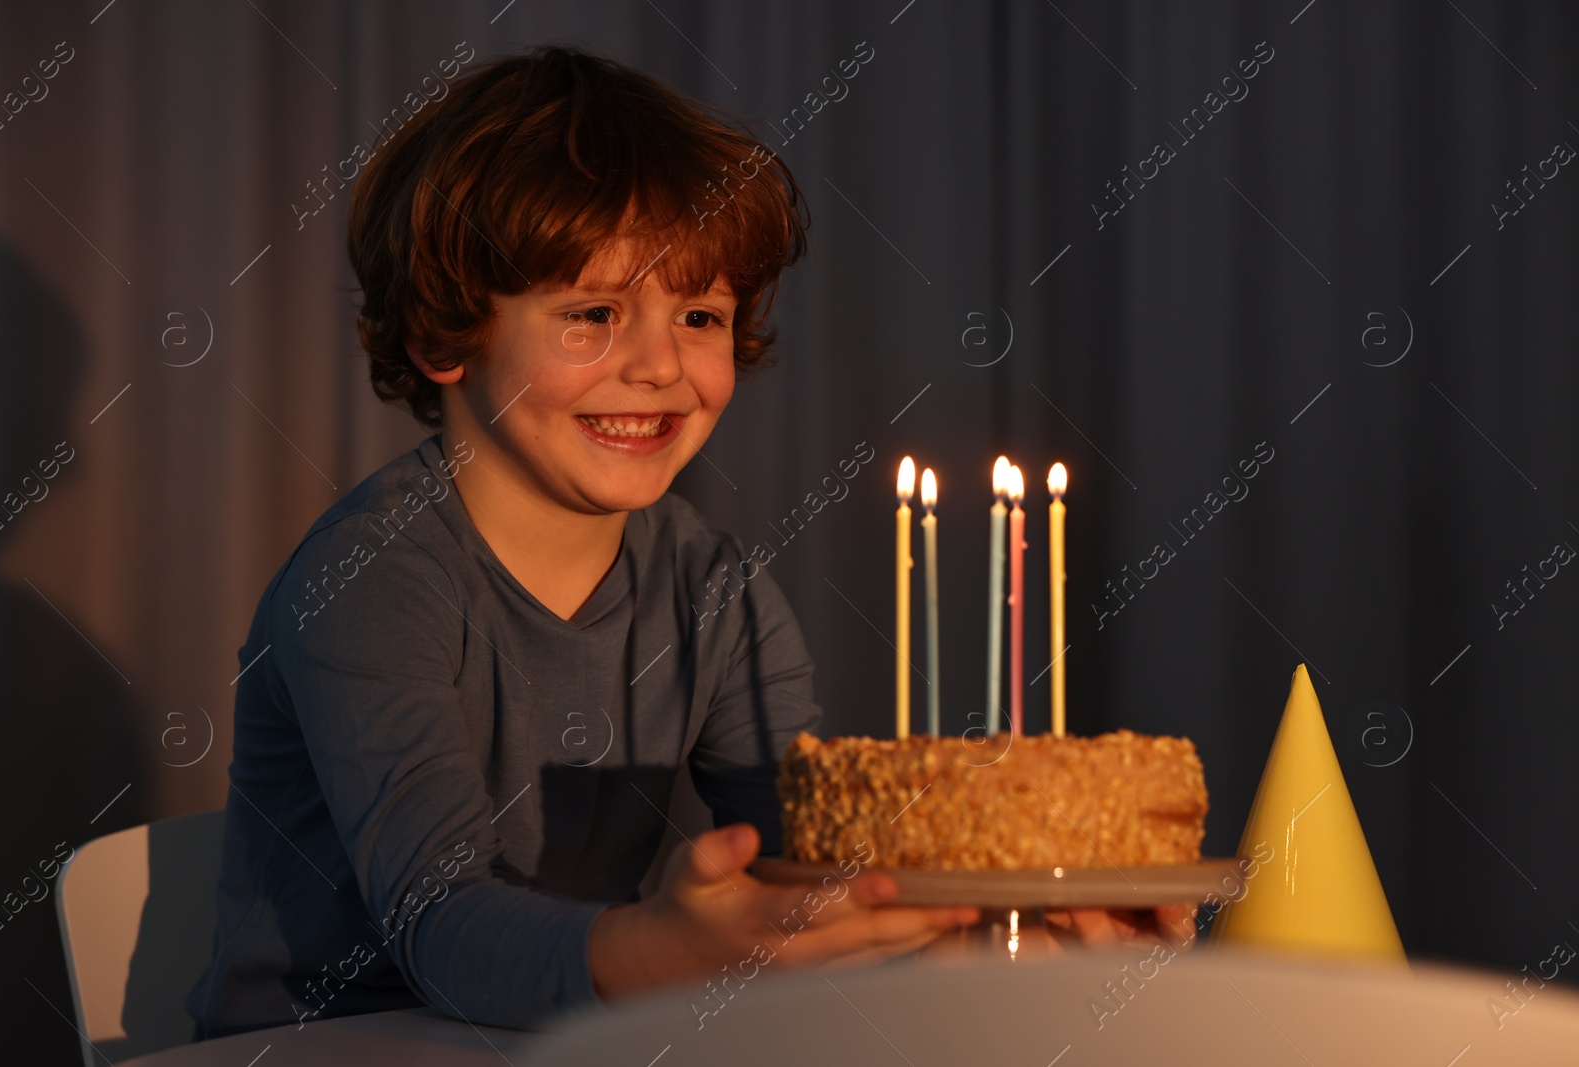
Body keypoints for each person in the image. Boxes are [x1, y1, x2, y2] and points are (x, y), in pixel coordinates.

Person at [186, 44, 1187, 1040]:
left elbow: (820, 866)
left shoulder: (714, 586)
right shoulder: (371, 580)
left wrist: (1007, 925)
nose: (662, 364)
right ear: (442, 337)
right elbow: (435, 924)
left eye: (701, 313)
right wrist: (658, 953)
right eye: (592, 313)